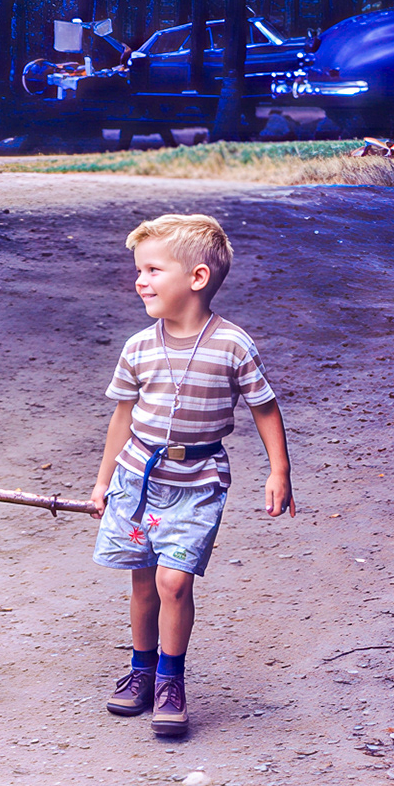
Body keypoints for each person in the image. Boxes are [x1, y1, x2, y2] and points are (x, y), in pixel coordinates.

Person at [88, 214, 296, 736]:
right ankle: (140, 670)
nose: (140, 280)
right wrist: (102, 480)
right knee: (142, 581)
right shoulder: (138, 347)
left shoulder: (232, 346)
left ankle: (170, 679)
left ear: (197, 278)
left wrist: (279, 470)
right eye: (139, 269)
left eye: (153, 269)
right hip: (137, 481)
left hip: (198, 482)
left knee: (174, 582)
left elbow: (264, 408)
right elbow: (122, 417)